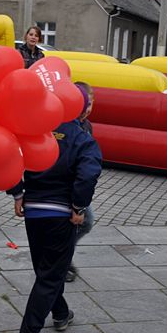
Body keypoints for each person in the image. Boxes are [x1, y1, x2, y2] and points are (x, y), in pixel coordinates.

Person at [8, 101, 103, 333]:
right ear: (81, 111)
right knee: (50, 275)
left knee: (47, 269)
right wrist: (79, 207)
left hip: (33, 211)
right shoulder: (82, 139)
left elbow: (9, 156)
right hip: (61, 213)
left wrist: (17, 193)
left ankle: (61, 313)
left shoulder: (35, 133)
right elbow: (88, 175)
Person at [65, 82, 97, 283]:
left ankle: (62, 256)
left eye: (91, 103)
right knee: (84, 222)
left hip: (79, 188)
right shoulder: (67, 126)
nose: (88, 108)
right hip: (69, 187)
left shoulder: (87, 126)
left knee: (84, 224)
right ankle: (62, 258)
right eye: (86, 103)